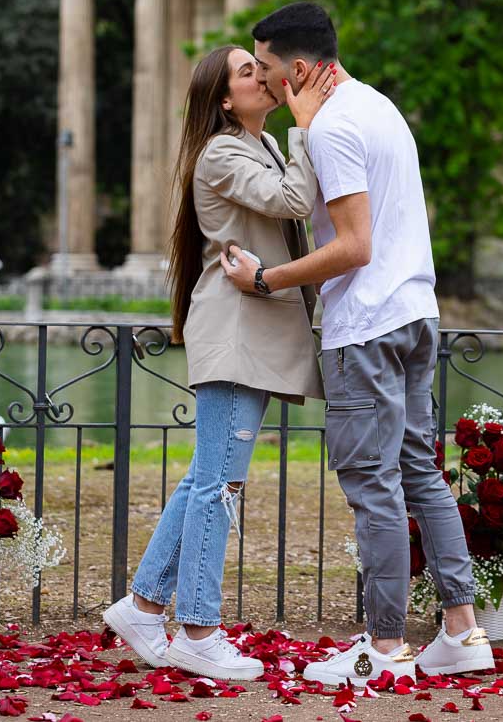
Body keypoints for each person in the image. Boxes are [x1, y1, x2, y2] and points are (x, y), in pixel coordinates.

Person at [223, 3, 494, 684]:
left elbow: (352, 245)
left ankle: (382, 646)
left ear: (303, 68)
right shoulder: (376, 106)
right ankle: (461, 633)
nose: (267, 85)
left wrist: (267, 280)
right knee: (419, 472)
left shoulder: (334, 127)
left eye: (271, 72)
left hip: (366, 326)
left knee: (372, 486)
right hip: (415, 313)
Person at [104, 44, 335, 680]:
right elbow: (292, 201)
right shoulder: (224, 151)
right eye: (247, 71)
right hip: (236, 338)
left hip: (249, 336)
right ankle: (199, 630)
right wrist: (308, 127)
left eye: (260, 66)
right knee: (217, 486)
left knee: (208, 477)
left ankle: (146, 605)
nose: (263, 75)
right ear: (225, 99)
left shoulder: (251, 146)